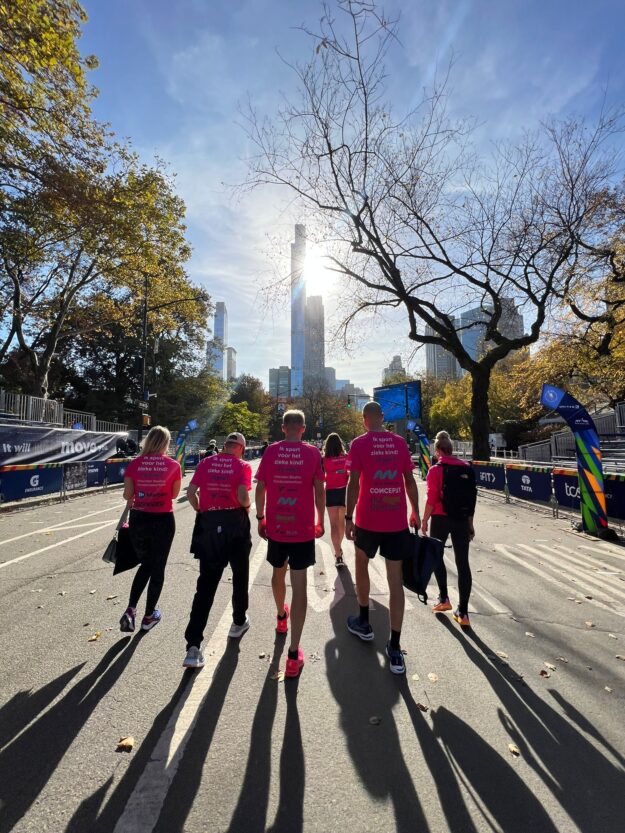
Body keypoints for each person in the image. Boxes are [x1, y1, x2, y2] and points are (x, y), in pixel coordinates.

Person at [345, 401, 420, 675]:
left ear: (365, 419)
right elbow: (409, 481)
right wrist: (416, 512)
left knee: (361, 565)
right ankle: (395, 647)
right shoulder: (399, 443)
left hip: (367, 519)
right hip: (396, 521)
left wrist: (348, 517)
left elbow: (353, 483)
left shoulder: (358, 444)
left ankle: (364, 621)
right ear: (383, 418)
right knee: (395, 581)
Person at [255, 409, 325, 678]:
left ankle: (280, 617)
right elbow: (319, 489)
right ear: (303, 428)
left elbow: (260, 487)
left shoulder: (271, 452)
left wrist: (260, 516)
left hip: (277, 526)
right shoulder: (311, 453)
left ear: (283, 428)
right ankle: (294, 654)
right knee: (300, 585)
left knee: (277, 572)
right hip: (303, 528)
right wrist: (321, 520)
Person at [183, 432, 253, 669]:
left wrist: (201, 510)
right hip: (235, 523)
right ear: (241, 449)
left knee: (206, 585)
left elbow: (190, 493)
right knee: (240, 574)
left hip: (209, 523)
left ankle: (193, 646)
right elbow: (243, 496)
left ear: (224, 446)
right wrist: (248, 505)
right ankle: (238, 620)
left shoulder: (206, 463)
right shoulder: (242, 466)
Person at [120, 425, 182, 633]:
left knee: (145, 565)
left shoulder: (135, 464)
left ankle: (130, 609)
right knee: (158, 568)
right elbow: (174, 495)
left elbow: (128, 496)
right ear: (165, 443)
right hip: (163, 519)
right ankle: (148, 615)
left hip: (139, 518)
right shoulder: (173, 465)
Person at [421, 430, 477, 627]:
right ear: (452, 449)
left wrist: (424, 519)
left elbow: (431, 498)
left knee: (437, 557)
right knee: (463, 564)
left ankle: (444, 598)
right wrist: (470, 524)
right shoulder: (467, 468)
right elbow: (471, 499)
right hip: (462, 519)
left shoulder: (436, 470)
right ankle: (463, 612)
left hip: (440, 518)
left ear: (437, 451)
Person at [322, 432, 349, 567]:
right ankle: (339, 548)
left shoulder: (324, 460)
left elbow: (320, 478)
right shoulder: (346, 457)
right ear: (340, 444)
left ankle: (338, 554)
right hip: (343, 491)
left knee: (333, 525)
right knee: (341, 523)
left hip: (331, 492)